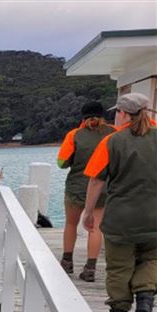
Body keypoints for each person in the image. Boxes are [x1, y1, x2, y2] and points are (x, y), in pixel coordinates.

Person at [82, 92, 157, 312]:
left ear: (124, 113)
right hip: (154, 216)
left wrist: (89, 211)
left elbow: (96, 180)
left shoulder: (112, 141)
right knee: (152, 260)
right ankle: (145, 299)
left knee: (118, 268)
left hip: (121, 218)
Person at [57, 101, 116, 281]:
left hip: (77, 187)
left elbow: (61, 163)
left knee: (70, 224)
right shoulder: (114, 133)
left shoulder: (75, 135)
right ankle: (90, 268)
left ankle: (67, 263)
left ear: (83, 117)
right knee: (96, 228)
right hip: (104, 188)